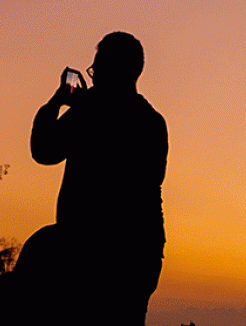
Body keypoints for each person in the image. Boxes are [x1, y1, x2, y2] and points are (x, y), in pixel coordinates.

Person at [20, 31, 168, 325]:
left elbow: (43, 150)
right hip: (141, 254)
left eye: (97, 68)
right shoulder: (153, 122)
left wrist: (57, 101)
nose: (94, 75)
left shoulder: (89, 112)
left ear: (112, 70)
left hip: (85, 253)